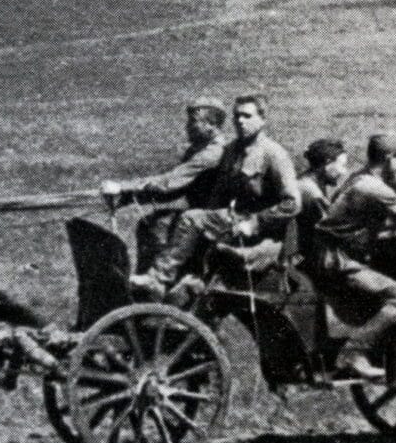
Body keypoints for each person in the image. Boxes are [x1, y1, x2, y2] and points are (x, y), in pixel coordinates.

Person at [128, 94, 301, 299]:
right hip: (232, 219)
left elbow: (292, 203)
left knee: (190, 219)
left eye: (247, 116)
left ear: (262, 120)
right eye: (237, 116)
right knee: (185, 222)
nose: (240, 121)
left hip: (260, 231)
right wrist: (206, 221)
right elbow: (219, 194)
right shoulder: (231, 151)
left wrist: (255, 223)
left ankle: (158, 278)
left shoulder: (274, 154)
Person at [314, 134, 396, 380]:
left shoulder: (359, 178)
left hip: (333, 255)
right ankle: (353, 353)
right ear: (388, 158)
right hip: (339, 261)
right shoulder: (371, 187)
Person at [100, 96, 228, 272]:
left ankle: (154, 282)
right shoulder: (199, 149)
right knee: (152, 223)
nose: (187, 127)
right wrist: (129, 197)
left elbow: (170, 183)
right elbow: (175, 189)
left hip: (207, 216)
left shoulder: (212, 153)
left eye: (193, 122)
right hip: (197, 213)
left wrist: (124, 187)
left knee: (157, 227)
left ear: (211, 124)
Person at [295, 138, 350, 264]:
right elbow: (331, 231)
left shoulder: (306, 180)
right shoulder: (313, 193)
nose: (344, 172)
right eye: (342, 166)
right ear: (327, 163)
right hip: (306, 258)